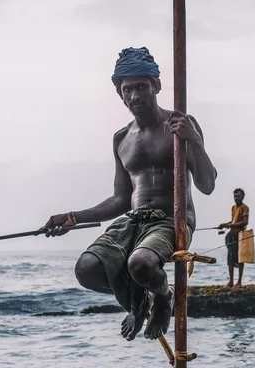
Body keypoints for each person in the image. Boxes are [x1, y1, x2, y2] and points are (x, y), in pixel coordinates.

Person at [43, 46, 217, 341]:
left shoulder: (180, 125)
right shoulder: (122, 139)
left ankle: (163, 296)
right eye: (127, 89)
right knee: (87, 269)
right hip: (132, 222)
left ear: (156, 86)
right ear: (119, 93)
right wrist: (72, 217)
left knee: (141, 264)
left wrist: (195, 142)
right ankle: (140, 302)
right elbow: (119, 201)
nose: (134, 95)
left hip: (170, 222)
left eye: (141, 87)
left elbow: (207, 185)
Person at [218, 188, 249, 289]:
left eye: (238, 196)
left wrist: (231, 225)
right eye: (235, 196)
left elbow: (245, 222)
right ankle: (231, 281)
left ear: (242, 197)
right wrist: (224, 225)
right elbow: (232, 221)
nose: (236, 198)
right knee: (230, 259)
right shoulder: (233, 208)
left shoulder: (245, 208)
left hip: (240, 236)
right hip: (231, 236)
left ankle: (239, 282)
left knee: (240, 259)